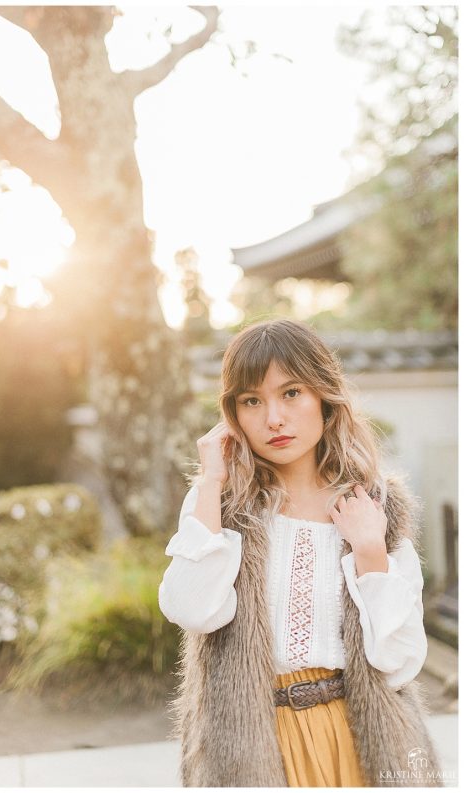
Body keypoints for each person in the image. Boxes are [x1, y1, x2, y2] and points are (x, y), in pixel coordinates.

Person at [158, 319, 443, 788]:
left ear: (324, 398)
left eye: (291, 393)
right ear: (232, 415)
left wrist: (370, 549)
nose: (273, 418)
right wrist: (211, 482)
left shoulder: (374, 506)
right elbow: (192, 609)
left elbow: (401, 661)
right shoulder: (222, 507)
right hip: (253, 746)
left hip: (360, 741)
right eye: (252, 400)